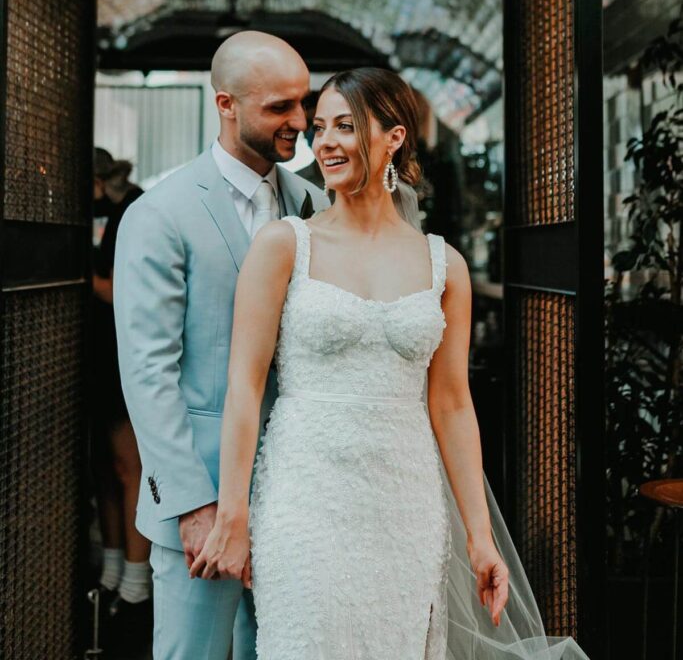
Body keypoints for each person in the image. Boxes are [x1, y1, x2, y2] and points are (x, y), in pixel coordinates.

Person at [190, 67, 591, 660]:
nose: (323, 141)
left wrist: (481, 537)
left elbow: (452, 404)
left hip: (407, 507)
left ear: (393, 138)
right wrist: (233, 513)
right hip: (306, 500)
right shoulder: (284, 245)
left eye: (345, 126)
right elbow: (245, 389)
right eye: (319, 127)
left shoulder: (443, 265)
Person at [113, 32, 328, 660]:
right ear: (226, 104)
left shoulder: (315, 205)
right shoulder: (160, 214)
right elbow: (149, 373)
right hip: (202, 501)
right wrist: (192, 505)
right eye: (279, 108)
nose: (300, 122)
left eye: (303, 102)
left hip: (300, 492)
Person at [90, 149, 151, 642]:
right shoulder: (114, 210)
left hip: (121, 353)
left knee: (128, 466)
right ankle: (114, 570)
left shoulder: (132, 209)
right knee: (107, 470)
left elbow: (120, 289)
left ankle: (135, 582)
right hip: (102, 354)